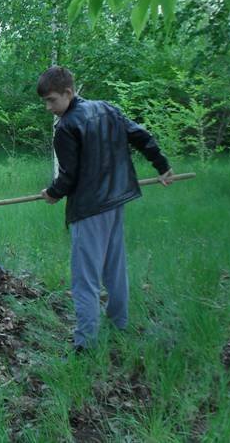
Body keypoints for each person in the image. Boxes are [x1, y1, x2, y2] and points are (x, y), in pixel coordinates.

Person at [37, 66, 173, 350]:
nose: (49, 107)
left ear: (68, 93)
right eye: (45, 102)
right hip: (116, 202)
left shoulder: (66, 127)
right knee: (114, 267)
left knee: (85, 279)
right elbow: (141, 135)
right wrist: (162, 165)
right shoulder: (108, 109)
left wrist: (53, 193)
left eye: (51, 100)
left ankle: (85, 344)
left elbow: (69, 175)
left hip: (89, 209)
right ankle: (118, 324)